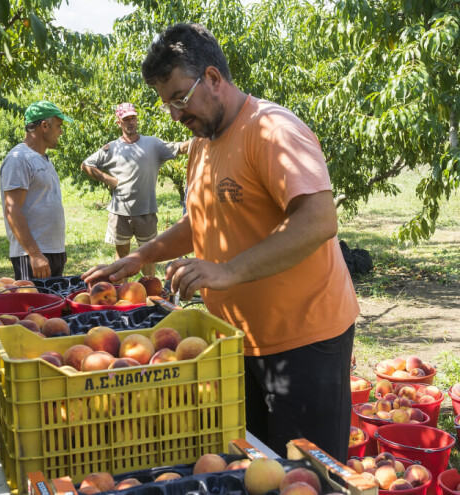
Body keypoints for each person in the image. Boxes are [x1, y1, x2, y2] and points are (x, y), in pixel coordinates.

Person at [83, 23, 360, 459]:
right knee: (257, 468)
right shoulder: (202, 145)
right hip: (236, 341)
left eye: (179, 97)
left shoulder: (271, 129)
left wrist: (228, 271)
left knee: (307, 477)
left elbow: (319, 220)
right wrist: (141, 256)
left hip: (303, 342)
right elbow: (200, 222)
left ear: (212, 79)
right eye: (167, 104)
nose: (175, 114)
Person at [80, 103, 189, 278]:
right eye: (126, 119)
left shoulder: (153, 144)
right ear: (119, 123)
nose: (131, 122)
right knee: (121, 257)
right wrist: (108, 179)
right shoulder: (112, 148)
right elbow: (86, 164)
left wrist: (201, 140)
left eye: (133, 118)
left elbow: (181, 148)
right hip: (120, 212)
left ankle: (150, 292)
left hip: (146, 211)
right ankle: (122, 295)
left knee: (149, 257)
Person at [0, 101, 74, 280]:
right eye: (59, 126)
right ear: (44, 126)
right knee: (34, 307)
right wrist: (34, 254)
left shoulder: (42, 158)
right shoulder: (19, 159)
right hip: (32, 255)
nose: (61, 132)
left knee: (53, 305)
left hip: (51, 251)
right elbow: (12, 210)